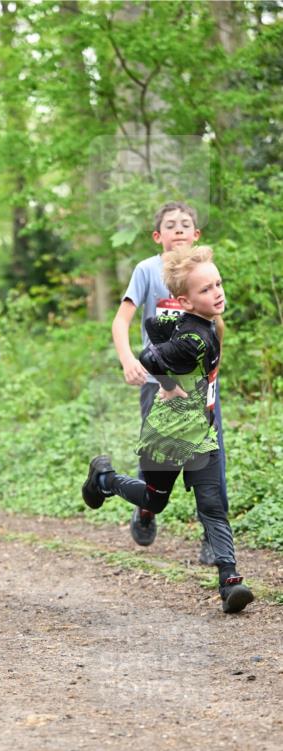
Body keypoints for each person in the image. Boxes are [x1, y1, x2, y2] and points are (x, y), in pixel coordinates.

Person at [83, 245, 253, 614]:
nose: (217, 292)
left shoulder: (202, 324)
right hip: (169, 436)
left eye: (218, 283)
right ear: (185, 301)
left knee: (211, 504)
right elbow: (147, 355)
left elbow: (152, 325)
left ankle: (229, 579)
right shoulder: (194, 339)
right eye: (205, 290)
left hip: (200, 434)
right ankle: (104, 479)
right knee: (154, 499)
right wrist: (168, 385)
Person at [111, 202, 228, 563]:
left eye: (186, 224)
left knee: (211, 455)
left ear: (197, 235)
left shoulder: (204, 274)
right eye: (171, 225)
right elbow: (122, 321)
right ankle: (146, 508)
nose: (179, 230)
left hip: (201, 387)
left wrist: (215, 368)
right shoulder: (147, 270)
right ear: (158, 236)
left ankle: (212, 534)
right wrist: (130, 360)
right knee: (160, 456)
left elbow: (218, 324)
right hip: (158, 381)